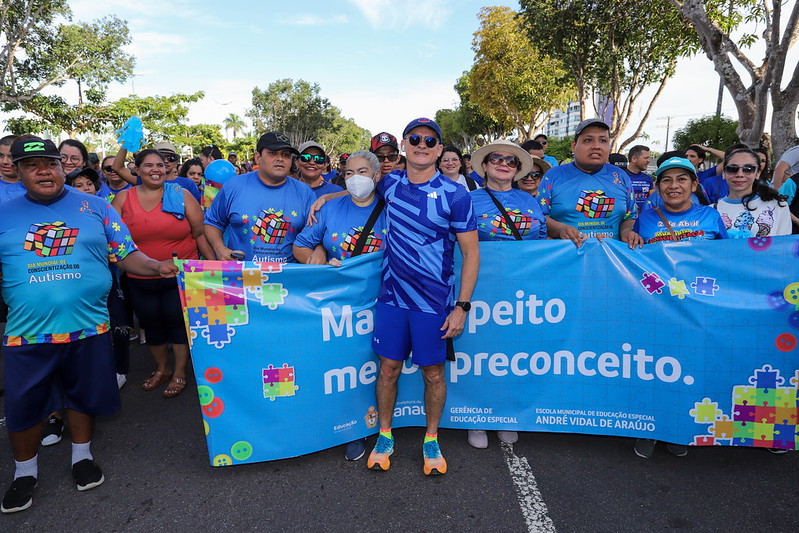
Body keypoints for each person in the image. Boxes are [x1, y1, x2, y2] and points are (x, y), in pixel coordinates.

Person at [0, 136, 178, 513]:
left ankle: (81, 457)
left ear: (63, 166)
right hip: (27, 334)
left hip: (89, 328)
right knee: (23, 407)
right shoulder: (3, 212)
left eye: (50, 163)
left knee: (82, 398)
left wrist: (158, 266)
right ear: (18, 171)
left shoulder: (96, 207)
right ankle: (24, 473)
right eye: (32, 166)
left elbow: (126, 254)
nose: (44, 171)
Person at [366, 118, 479, 476]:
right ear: (404, 144)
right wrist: (326, 197)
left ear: (440, 149)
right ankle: (385, 436)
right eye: (415, 138)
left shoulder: (456, 195)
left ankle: (431, 439)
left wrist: (461, 307)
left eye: (430, 141)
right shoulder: (390, 183)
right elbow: (358, 192)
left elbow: (472, 254)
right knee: (388, 370)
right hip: (391, 298)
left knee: (433, 373)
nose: (422, 144)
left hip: (432, 303)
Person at [294, 151, 388, 461]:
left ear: (376, 175)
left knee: (381, 366)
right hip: (341, 307)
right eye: (348, 173)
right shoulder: (331, 208)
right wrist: (315, 258)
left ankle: (383, 423)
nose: (355, 178)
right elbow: (302, 244)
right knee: (346, 368)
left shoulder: (394, 207)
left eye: (362, 171)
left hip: (385, 301)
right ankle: (354, 430)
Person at [111, 149, 212, 397]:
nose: (156, 169)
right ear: (136, 169)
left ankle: (179, 372)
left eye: (161, 164)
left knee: (178, 324)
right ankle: (162, 369)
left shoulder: (181, 194)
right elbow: (112, 240)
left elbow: (199, 234)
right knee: (151, 324)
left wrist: (214, 266)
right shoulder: (123, 199)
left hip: (180, 277)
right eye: (148, 165)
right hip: (140, 278)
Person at [466, 139, 546, 449]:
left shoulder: (531, 202)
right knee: (479, 355)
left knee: (512, 354)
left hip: (521, 293)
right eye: (496, 158)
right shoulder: (467, 200)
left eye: (511, 161)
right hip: (480, 291)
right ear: (484, 166)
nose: (503, 163)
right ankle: (476, 416)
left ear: (517, 169)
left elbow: (540, 245)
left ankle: (506, 413)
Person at [204, 132, 315, 262]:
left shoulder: (305, 193)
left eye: (285, 155)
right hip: (242, 277)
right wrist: (220, 249)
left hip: (287, 278)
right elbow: (212, 222)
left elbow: (317, 235)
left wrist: (319, 252)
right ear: (258, 157)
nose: (280, 159)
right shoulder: (234, 186)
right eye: (273, 153)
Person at [538, 118, 642, 248]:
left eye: (603, 141)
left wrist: (627, 232)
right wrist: (561, 229)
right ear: (573, 145)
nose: (596, 146)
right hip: (567, 261)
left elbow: (629, 216)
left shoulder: (621, 176)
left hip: (611, 260)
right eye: (588, 140)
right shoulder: (552, 176)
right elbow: (539, 217)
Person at [633, 157, 728, 244]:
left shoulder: (710, 215)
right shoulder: (644, 219)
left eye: (681, 179)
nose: (674, 186)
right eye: (666, 180)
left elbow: (726, 254)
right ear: (658, 188)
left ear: (694, 185)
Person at [713, 148, 791, 238]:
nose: (740, 174)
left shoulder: (778, 206)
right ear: (723, 173)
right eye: (732, 169)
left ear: (757, 173)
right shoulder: (710, 211)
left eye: (748, 169)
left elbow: (784, 247)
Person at [111, 143, 201, 204]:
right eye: (161, 156)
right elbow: (117, 168)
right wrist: (127, 141)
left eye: (170, 158)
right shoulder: (144, 181)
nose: (165, 160)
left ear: (175, 163)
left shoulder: (188, 184)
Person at [626, 145, 654, 213]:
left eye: (649, 158)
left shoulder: (648, 179)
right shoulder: (621, 177)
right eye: (646, 158)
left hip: (644, 219)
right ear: (634, 159)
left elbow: (652, 200)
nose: (648, 161)